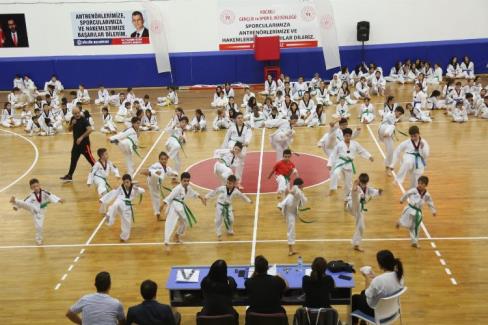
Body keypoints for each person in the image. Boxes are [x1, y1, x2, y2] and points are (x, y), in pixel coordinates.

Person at [351, 250, 404, 325]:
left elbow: (367, 295)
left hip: (377, 312)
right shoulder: (400, 276)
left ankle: (354, 323)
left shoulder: (378, 281)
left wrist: (367, 277)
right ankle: (362, 321)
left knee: (354, 298)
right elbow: (387, 282)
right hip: (392, 310)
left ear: (380, 265)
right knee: (362, 293)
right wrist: (375, 277)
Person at [9, 178, 64, 245]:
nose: (36, 188)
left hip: (41, 212)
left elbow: (52, 196)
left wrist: (58, 200)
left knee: (39, 227)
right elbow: (24, 202)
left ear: (39, 185)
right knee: (29, 205)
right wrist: (16, 207)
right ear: (31, 188)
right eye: (33, 187)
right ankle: (15, 201)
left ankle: (39, 240)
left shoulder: (44, 192)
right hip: (33, 209)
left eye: (37, 186)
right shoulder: (31, 195)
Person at [162, 172, 206, 252]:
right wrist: (162, 205)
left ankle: (177, 235)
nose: (186, 183)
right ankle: (166, 243)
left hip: (181, 207)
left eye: (188, 181)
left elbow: (194, 193)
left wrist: (201, 198)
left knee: (184, 222)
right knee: (170, 223)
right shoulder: (177, 188)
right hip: (174, 207)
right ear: (181, 180)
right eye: (184, 181)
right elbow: (170, 197)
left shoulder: (188, 187)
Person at [328, 128, 374, 203]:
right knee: (335, 173)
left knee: (348, 184)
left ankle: (347, 198)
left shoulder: (355, 144)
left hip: (349, 164)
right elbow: (333, 154)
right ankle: (333, 188)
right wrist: (329, 163)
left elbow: (362, 151)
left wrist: (369, 156)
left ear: (351, 136)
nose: (348, 137)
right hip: (340, 162)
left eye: (349, 136)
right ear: (343, 136)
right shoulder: (339, 144)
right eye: (346, 136)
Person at [100, 174, 145, 242]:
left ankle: (124, 237)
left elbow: (143, 191)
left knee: (127, 223)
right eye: (124, 182)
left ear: (130, 181)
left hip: (127, 206)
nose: (126, 184)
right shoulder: (120, 187)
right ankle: (109, 215)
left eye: (127, 182)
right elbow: (113, 193)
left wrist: (136, 188)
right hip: (120, 201)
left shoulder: (134, 188)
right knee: (115, 204)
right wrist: (102, 199)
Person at [205, 175, 252, 240]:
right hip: (220, 205)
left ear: (234, 184)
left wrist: (249, 201)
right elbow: (214, 192)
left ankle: (229, 230)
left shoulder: (236, 191)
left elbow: (242, 196)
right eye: (227, 182)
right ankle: (218, 233)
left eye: (230, 183)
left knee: (231, 219)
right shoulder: (222, 188)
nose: (228, 184)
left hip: (228, 206)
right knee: (218, 219)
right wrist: (206, 197)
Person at [397, 176, 436, 248]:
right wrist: (402, 200)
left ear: (426, 185)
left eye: (422, 184)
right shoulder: (414, 190)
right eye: (419, 183)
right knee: (408, 224)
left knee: (416, 228)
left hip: (418, 212)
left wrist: (433, 211)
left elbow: (430, 203)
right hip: (409, 209)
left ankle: (414, 242)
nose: (420, 185)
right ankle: (400, 222)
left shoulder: (427, 195)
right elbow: (406, 194)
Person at [347, 174, 383, 252]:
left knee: (361, 226)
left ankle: (356, 244)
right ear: (359, 181)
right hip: (351, 205)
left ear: (367, 182)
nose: (363, 184)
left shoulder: (367, 188)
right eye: (362, 183)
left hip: (358, 209)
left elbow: (374, 191)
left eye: (365, 183)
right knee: (357, 195)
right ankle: (356, 244)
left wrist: (379, 191)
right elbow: (354, 192)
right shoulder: (357, 187)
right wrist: (355, 186)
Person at [60, 107, 96, 182]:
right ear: (73, 114)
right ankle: (69, 176)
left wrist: (81, 137)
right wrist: (72, 124)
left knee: (91, 160)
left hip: (85, 145)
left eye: (78, 113)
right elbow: (69, 129)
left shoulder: (84, 120)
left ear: (80, 112)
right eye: (75, 113)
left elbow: (90, 130)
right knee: (73, 160)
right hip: (76, 145)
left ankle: (100, 172)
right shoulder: (73, 119)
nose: (77, 114)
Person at [142, 151, 178, 220]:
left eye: (165, 159)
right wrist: (150, 172)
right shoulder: (157, 165)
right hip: (152, 182)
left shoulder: (166, 168)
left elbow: (169, 172)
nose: (163, 160)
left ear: (167, 159)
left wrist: (174, 174)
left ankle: (158, 213)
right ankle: (158, 215)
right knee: (156, 198)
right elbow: (151, 168)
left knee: (157, 197)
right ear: (159, 159)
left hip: (157, 182)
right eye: (162, 159)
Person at [277, 178, 307, 256]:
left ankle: (291, 249)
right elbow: (295, 190)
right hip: (289, 213)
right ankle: (290, 250)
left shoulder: (297, 192)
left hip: (292, 212)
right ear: (299, 185)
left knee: (292, 230)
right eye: (302, 185)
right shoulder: (295, 190)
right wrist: (291, 191)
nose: (303, 186)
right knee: (291, 230)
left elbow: (303, 199)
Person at [378, 106, 405, 174]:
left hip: (383, 131)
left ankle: (388, 167)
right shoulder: (391, 115)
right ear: (397, 112)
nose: (399, 116)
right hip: (384, 130)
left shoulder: (391, 114)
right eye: (400, 114)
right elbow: (393, 125)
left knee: (390, 151)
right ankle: (388, 167)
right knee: (393, 126)